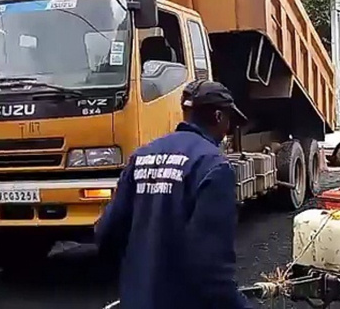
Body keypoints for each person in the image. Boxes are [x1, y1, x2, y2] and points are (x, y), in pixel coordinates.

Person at [95, 80, 252, 309]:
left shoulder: (142, 156)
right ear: (219, 117)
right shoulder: (214, 167)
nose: (228, 129)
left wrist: (135, 278)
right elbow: (211, 269)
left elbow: (106, 231)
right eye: (228, 120)